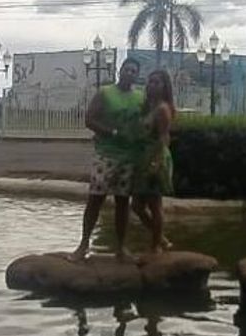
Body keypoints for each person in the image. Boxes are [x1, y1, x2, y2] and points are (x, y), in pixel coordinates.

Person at [71, 58, 144, 260]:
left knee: (123, 202)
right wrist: (111, 132)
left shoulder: (139, 98)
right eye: (127, 69)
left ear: (137, 74)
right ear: (120, 71)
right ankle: (83, 245)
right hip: (106, 155)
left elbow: (145, 123)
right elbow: (89, 119)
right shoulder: (105, 93)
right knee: (95, 200)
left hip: (128, 157)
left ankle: (121, 248)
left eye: (134, 71)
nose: (130, 73)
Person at [131, 69, 176, 254]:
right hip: (143, 158)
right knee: (136, 206)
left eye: (157, 82)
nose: (152, 85)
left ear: (165, 86)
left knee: (154, 204)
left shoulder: (162, 109)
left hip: (155, 158)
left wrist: (156, 162)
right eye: (150, 81)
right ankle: (162, 239)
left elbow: (164, 137)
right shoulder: (148, 106)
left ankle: (156, 245)